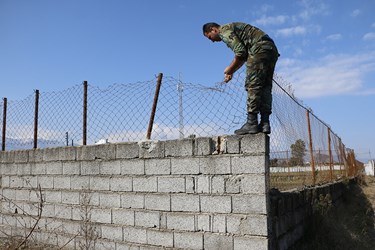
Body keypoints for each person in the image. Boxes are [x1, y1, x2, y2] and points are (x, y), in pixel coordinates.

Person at [202, 22, 279, 135]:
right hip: (270, 48)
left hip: (258, 48)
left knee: (253, 85)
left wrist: (229, 69)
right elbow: (243, 56)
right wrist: (232, 71)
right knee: (265, 86)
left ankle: (252, 122)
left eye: (210, 37)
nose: (212, 41)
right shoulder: (233, 28)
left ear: (213, 30)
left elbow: (241, 52)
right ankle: (265, 123)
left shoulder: (224, 31)